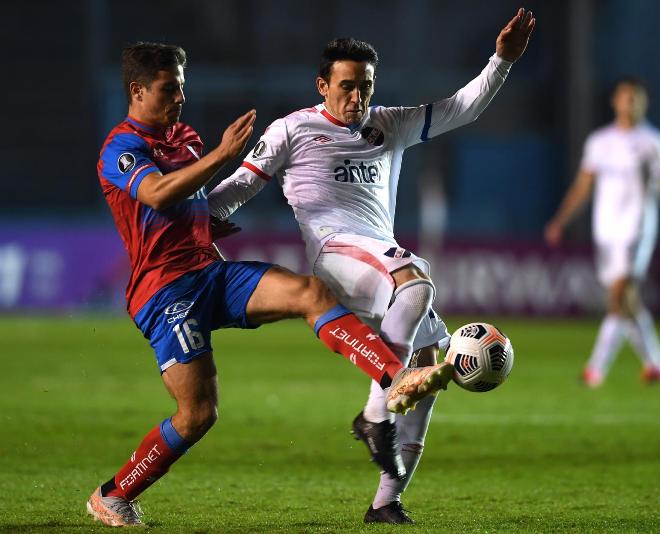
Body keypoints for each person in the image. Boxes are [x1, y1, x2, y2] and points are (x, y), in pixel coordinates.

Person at [86, 42, 453, 528]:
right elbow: (155, 194)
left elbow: (192, 200)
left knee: (310, 292)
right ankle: (113, 495)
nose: (180, 98)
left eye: (182, 87)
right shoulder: (121, 148)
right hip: (164, 291)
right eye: (169, 89)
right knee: (197, 414)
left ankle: (391, 381)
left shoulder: (186, 137)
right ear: (137, 90)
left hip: (210, 273)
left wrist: (205, 219)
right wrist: (223, 155)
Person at [208, 8, 535, 524]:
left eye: (365, 86)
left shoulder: (388, 123)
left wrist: (502, 61)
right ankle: (374, 414)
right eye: (347, 86)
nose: (357, 97)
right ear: (323, 85)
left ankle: (387, 502)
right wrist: (197, 219)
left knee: (428, 363)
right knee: (417, 280)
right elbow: (240, 187)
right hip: (336, 254)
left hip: (378, 260)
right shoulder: (292, 129)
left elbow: (462, 108)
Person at [544, 77, 660, 387]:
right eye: (626, 97)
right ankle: (657, 363)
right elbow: (583, 186)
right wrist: (560, 220)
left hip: (636, 229)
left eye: (636, 98)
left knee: (619, 294)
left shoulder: (654, 142)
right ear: (615, 101)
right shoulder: (599, 142)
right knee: (626, 300)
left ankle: (595, 369)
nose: (631, 103)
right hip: (605, 231)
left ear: (645, 103)